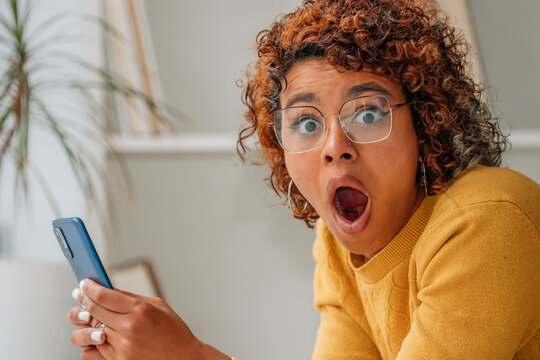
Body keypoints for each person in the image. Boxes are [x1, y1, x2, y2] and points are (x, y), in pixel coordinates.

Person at [67, 0, 540, 359]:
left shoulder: (488, 221)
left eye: (369, 112)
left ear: (426, 122)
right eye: (307, 123)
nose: (335, 145)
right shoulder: (337, 244)